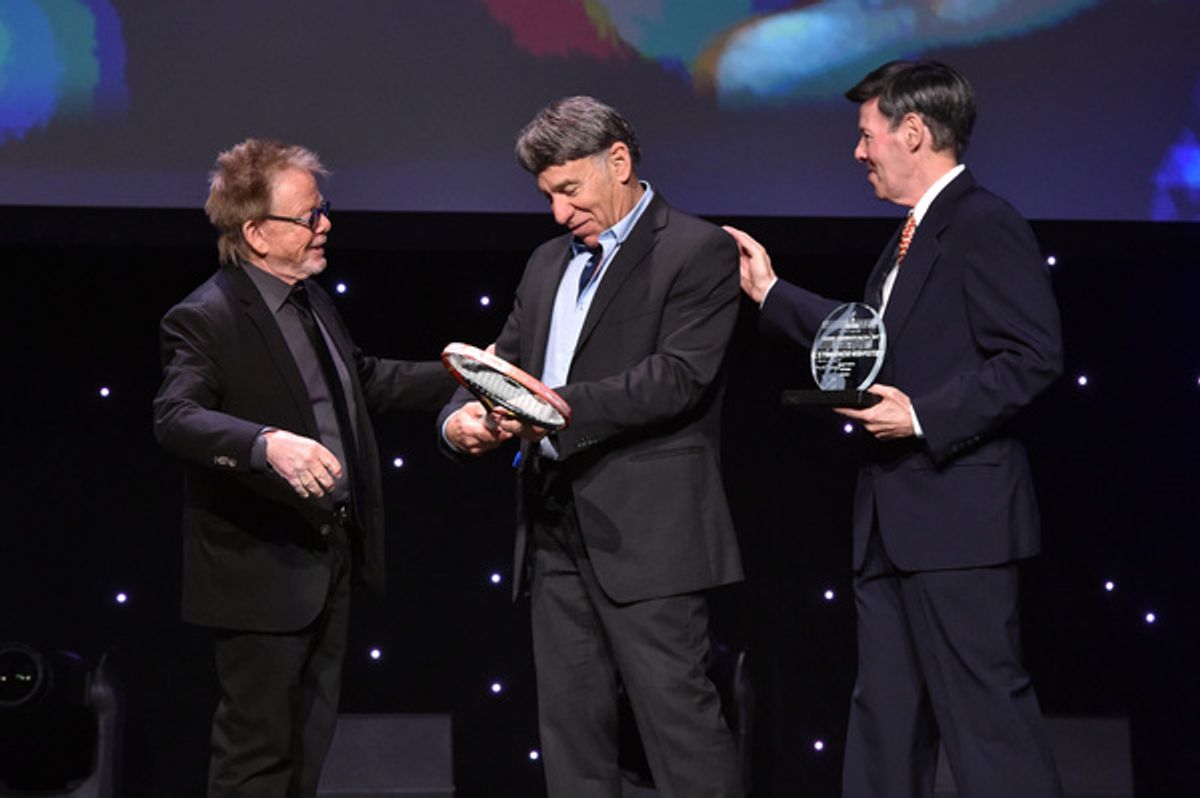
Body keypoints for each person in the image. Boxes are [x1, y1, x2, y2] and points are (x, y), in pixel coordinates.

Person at [725, 61, 1064, 798]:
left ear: (913, 132)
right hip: (892, 522)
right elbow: (868, 341)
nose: (857, 151)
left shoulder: (983, 222)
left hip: (959, 524)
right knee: (885, 722)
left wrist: (921, 414)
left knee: (986, 726)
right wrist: (772, 292)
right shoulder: (909, 240)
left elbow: (1033, 357)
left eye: (866, 134)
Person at [439, 96, 745, 798]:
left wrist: (552, 409)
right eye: (546, 196)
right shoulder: (547, 263)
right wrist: (459, 421)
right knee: (572, 739)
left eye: (568, 191)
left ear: (619, 162)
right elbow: (501, 363)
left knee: (681, 732)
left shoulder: (695, 249)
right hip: (552, 527)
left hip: (651, 533)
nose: (558, 213)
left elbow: (678, 377)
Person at [153, 138, 453, 798]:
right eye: (311, 215)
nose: (327, 224)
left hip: (327, 565)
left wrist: (464, 374)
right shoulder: (207, 317)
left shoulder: (310, 300)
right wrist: (268, 444)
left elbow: (363, 381)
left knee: (307, 754)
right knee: (257, 760)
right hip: (261, 577)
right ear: (257, 233)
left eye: (324, 209)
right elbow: (175, 418)